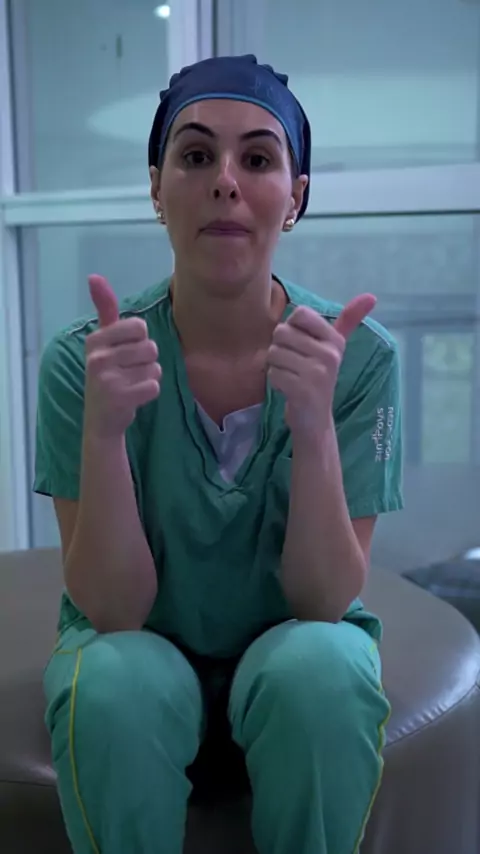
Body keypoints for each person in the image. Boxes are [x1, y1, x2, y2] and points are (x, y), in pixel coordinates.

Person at [35, 55, 403, 854]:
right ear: (156, 188)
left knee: (325, 669)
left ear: (295, 197)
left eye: (258, 159)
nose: (225, 183)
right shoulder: (85, 360)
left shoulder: (357, 359)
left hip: (293, 653)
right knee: (112, 684)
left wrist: (313, 425)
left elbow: (324, 601)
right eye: (197, 155)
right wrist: (105, 433)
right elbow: (114, 613)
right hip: (142, 653)